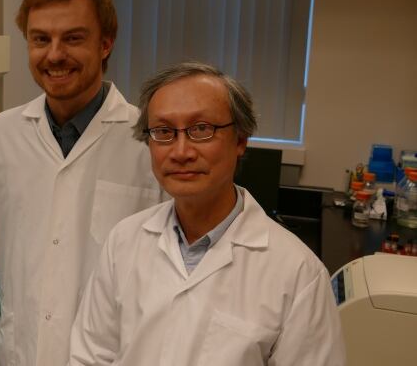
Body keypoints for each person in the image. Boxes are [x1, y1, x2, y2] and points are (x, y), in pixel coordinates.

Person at [68, 61, 346, 365]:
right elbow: (91, 356)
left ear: (241, 140)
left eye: (201, 129)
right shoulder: (123, 241)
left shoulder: (298, 273)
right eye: (163, 131)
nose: (181, 151)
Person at [0, 0, 165, 366]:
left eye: (73, 38)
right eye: (40, 39)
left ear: (105, 44)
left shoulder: (149, 143)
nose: (55, 54)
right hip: (18, 353)